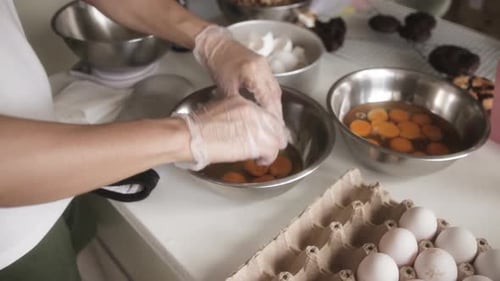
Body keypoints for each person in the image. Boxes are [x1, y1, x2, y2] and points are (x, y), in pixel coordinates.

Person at [0, 0, 287, 279]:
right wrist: (189, 135)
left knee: (84, 243)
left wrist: (210, 40)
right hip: (11, 236)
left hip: (55, 158)